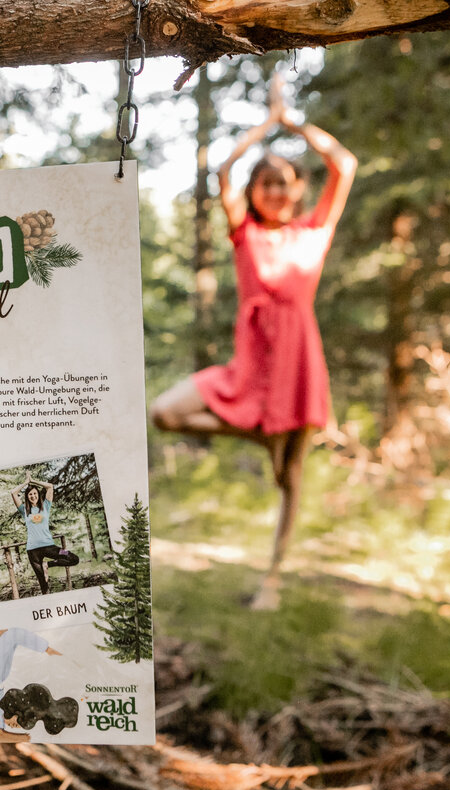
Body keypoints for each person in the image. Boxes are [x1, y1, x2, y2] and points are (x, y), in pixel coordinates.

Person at [150, 76, 357, 611]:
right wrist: (266, 124)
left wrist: (294, 124)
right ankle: (256, 433)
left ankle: (273, 580)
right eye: (265, 183)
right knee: (165, 413)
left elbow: (345, 165)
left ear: (298, 189)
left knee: (291, 476)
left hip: (298, 362)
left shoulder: (314, 232)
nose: (275, 191)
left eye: (284, 183)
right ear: (254, 192)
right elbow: (223, 173)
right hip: (251, 366)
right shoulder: (245, 232)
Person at [10, 471, 79, 594]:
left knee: (73, 558)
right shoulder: (24, 510)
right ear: (27, 496)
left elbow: (50, 486)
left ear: (38, 494)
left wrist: (33, 481)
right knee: (43, 585)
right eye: (30, 494)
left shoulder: (46, 506)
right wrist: (26, 482)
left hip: (49, 547)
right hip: (33, 551)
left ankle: (47, 564)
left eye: (35, 493)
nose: (33, 496)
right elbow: (13, 493)